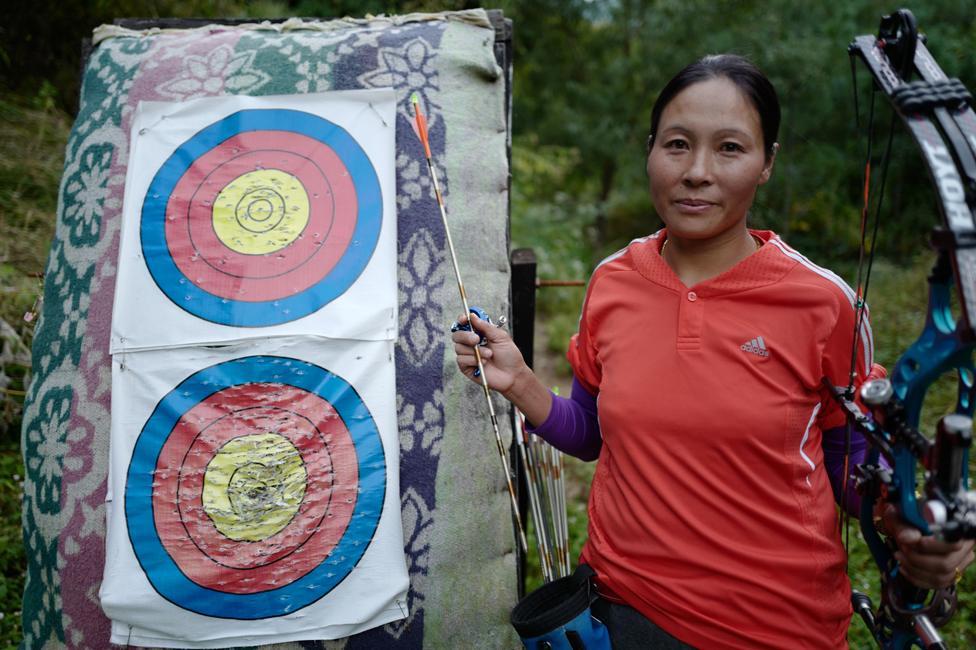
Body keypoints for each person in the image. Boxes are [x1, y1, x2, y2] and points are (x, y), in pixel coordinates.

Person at [453, 54, 975, 649]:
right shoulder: (613, 282)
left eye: (730, 148)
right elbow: (594, 433)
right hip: (624, 612)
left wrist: (914, 522)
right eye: (677, 144)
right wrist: (520, 381)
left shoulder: (823, 303)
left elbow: (853, 469)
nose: (697, 171)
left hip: (777, 629)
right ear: (651, 150)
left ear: (767, 164)